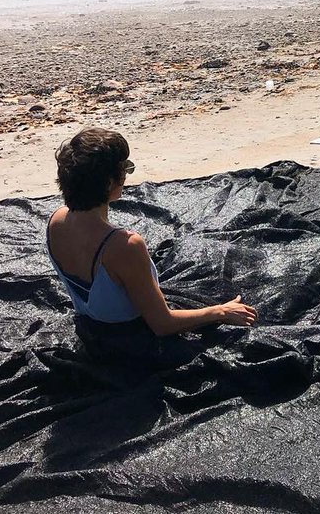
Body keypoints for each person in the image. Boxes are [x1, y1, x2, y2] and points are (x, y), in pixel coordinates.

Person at [46, 127, 256, 359]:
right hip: (130, 347)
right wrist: (220, 311)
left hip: (89, 331)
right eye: (124, 168)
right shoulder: (123, 245)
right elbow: (162, 324)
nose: (126, 175)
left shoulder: (56, 220)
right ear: (108, 182)